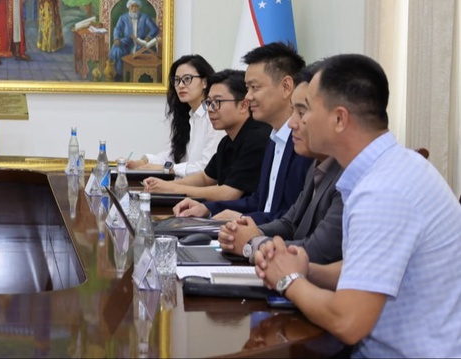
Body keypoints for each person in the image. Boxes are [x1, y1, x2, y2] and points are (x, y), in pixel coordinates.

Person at [254, 54, 461, 357]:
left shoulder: (384, 191)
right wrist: (305, 268)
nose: (298, 121)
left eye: (306, 109)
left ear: (339, 119)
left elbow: (348, 322)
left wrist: (288, 279)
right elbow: (365, 269)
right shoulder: (391, 167)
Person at [218, 62, 344, 264]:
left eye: (302, 112)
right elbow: (290, 223)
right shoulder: (319, 164)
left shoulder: (351, 176)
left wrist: (252, 242)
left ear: (339, 118)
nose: (292, 123)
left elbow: (319, 251)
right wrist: (250, 232)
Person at [173, 42, 312, 223]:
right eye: (247, 88)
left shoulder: (304, 144)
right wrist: (208, 209)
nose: (247, 97)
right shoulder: (274, 139)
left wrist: (243, 218)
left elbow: (293, 219)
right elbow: (260, 202)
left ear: (286, 87)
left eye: (255, 87)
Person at [141, 69, 269, 201]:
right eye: (208, 102)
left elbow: (228, 194)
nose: (210, 109)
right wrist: (163, 185)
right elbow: (205, 178)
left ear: (243, 105)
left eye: (217, 102)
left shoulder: (257, 138)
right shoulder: (227, 142)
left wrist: (172, 189)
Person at [127, 55, 223, 177]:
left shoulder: (215, 116)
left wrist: (168, 168)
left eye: (187, 79)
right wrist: (143, 162)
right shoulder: (191, 116)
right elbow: (176, 154)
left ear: (204, 82)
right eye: (177, 80)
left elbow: (208, 167)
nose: (181, 85)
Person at [108, 0, 159, 79]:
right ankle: (119, 73)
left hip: (141, 43)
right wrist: (116, 38)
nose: (134, 9)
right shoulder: (123, 17)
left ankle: (144, 77)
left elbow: (154, 29)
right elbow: (117, 28)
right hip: (128, 42)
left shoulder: (145, 17)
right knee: (116, 49)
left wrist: (148, 37)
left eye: (136, 6)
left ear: (139, 8)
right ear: (129, 7)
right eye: (132, 6)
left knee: (148, 55)